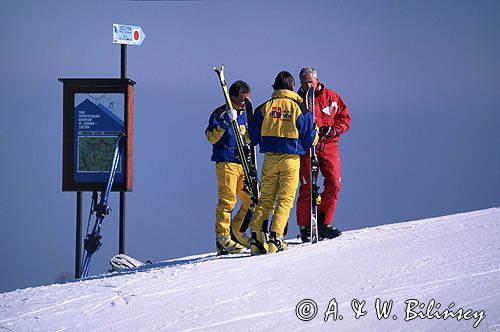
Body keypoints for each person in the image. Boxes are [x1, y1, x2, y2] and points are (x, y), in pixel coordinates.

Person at [248, 71, 318, 255]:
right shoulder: (300, 108)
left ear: (274, 87)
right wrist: (316, 133)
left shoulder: (264, 108)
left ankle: (256, 239)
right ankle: (276, 237)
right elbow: (309, 139)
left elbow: (252, 138)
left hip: (270, 158)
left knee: (266, 199)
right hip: (290, 159)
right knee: (285, 199)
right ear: (292, 87)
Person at [296, 67, 351, 242]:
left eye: (310, 82)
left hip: (329, 145)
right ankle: (305, 226)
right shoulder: (297, 101)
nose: (307, 85)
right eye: (304, 82)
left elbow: (345, 119)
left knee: (334, 184)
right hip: (306, 148)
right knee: (307, 187)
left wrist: (332, 130)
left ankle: (323, 222)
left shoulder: (331, 97)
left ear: (317, 80)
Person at [205, 80, 253, 255]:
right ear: (232, 97)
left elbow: (247, 138)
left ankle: (237, 231)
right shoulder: (220, 113)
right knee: (228, 200)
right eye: (242, 100)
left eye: (247, 99)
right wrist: (225, 123)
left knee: (252, 200)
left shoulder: (246, 113)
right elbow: (211, 137)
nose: (245, 103)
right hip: (226, 161)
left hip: (243, 162)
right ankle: (222, 238)